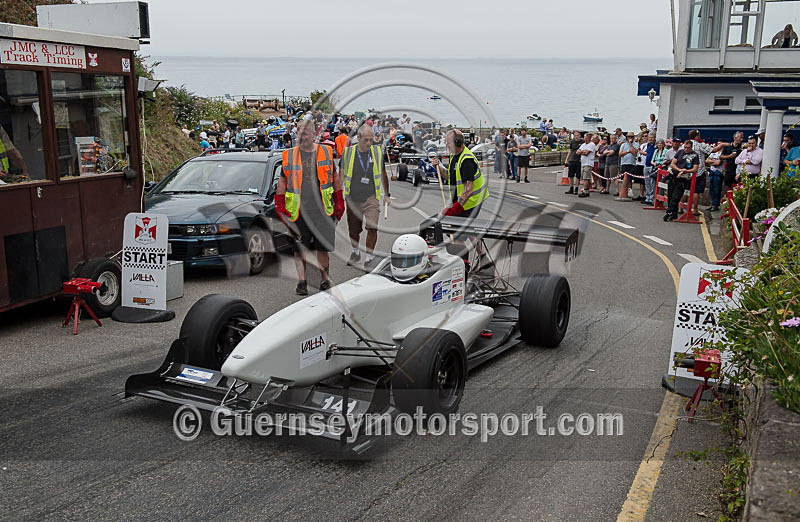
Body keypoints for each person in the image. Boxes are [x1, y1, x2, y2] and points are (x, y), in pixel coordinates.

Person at [274, 117, 344, 295]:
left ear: (314, 133)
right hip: (298, 213)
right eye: (299, 132)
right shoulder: (289, 155)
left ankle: (325, 280)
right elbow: (282, 181)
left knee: (323, 247)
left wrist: (339, 201)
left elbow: (335, 178)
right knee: (299, 249)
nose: (302, 136)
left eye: (306, 132)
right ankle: (302, 281)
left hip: (323, 210)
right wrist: (280, 204)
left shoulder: (326, 152)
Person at [340, 124, 390, 267]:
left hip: (371, 197)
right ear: (358, 138)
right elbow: (341, 175)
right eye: (366, 140)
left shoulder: (377, 153)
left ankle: (369, 258)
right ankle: (355, 252)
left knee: (372, 227)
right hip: (352, 198)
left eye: (371, 140)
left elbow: (383, 174)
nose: (369, 143)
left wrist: (387, 194)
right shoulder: (348, 153)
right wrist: (336, 195)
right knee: (354, 231)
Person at [430, 129, 489, 219]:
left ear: (457, 143)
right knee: (455, 227)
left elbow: (468, 190)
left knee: (457, 228)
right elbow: (450, 176)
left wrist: (454, 209)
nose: (447, 145)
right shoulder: (454, 155)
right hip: (460, 202)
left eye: (449, 143)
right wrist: (438, 168)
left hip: (470, 203)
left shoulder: (467, 161)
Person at [664, 139, 699, 222]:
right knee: (670, 195)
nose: (686, 149)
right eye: (685, 147)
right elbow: (673, 163)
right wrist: (679, 170)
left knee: (675, 197)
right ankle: (671, 213)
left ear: (691, 147)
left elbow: (695, 168)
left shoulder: (695, 155)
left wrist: (685, 171)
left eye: (688, 148)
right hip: (674, 175)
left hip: (683, 178)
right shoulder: (680, 152)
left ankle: (671, 213)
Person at [616, 132, 637, 201]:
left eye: (631, 137)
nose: (630, 138)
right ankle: (624, 190)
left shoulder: (636, 144)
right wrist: (628, 151)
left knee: (630, 178)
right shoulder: (623, 145)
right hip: (624, 163)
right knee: (624, 178)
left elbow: (634, 152)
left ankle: (630, 190)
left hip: (632, 163)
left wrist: (631, 145)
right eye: (629, 137)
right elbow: (620, 154)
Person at [577, 133, 598, 198]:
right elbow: (577, 152)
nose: (585, 139)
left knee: (586, 178)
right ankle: (587, 190)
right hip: (583, 162)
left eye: (586, 138)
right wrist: (582, 152)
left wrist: (581, 152)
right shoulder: (583, 145)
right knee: (584, 177)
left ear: (589, 138)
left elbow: (586, 153)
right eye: (584, 138)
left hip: (588, 163)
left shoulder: (591, 144)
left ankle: (585, 191)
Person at [564, 130, 583, 195]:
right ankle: (571, 187)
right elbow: (570, 150)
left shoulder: (582, 142)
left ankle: (576, 188)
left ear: (580, 136)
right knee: (570, 175)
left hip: (579, 160)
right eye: (575, 136)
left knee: (578, 175)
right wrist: (567, 159)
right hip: (572, 159)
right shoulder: (572, 142)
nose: (576, 137)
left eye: (577, 135)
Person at [642, 132, 657, 205]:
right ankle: (647, 197)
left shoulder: (655, 146)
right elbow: (647, 153)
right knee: (647, 182)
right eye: (649, 137)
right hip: (646, 164)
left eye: (652, 137)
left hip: (651, 165)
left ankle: (652, 199)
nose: (650, 139)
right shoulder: (648, 145)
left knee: (652, 183)